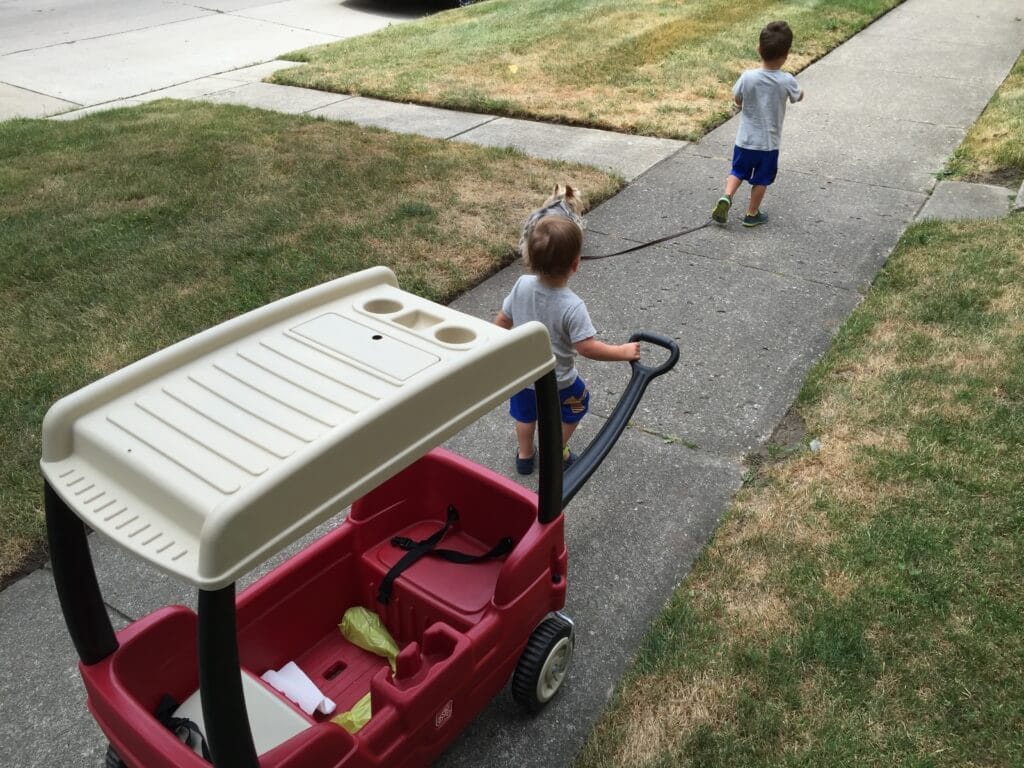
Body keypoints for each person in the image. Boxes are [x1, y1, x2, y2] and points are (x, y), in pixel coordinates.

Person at [494, 216, 640, 475]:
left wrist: (494, 347)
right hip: (558, 381)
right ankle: (555, 449)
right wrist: (622, 352)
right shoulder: (572, 305)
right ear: (575, 264)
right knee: (578, 404)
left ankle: (525, 455)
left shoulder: (521, 285)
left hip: (523, 375)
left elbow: (504, 319)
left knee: (525, 416)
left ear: (529, 256)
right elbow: (587, 347)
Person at [712, 20, 804, 227]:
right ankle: (752, 213)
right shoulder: (786, 80)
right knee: (761, 179)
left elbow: (737, 99)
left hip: (744, 140)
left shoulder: (747, 77)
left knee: (737, 171)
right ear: (787, 53)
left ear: (759, 49)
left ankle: (726, 197)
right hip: (768, 144)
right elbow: (798, 96)